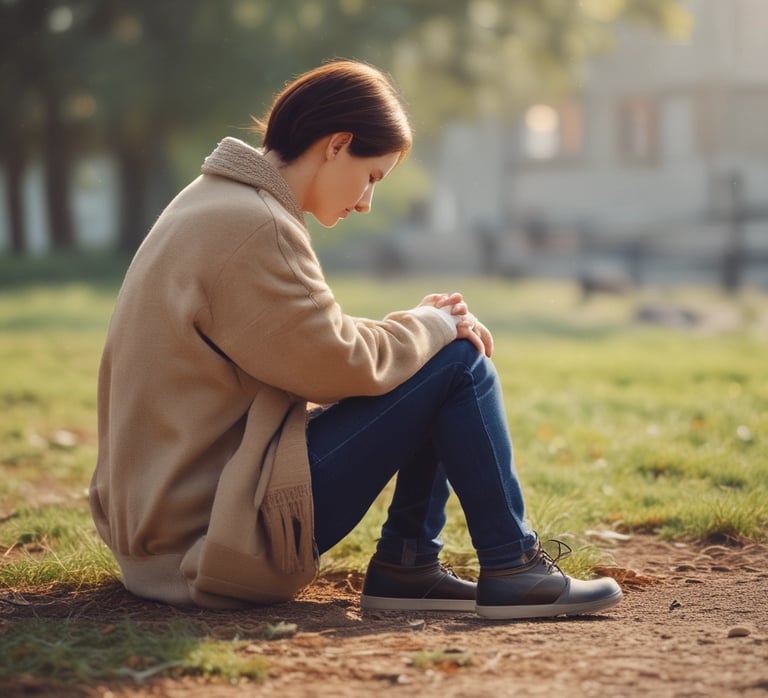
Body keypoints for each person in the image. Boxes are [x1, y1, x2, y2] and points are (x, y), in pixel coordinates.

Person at [90, 59, 622, 619]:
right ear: (337, 144)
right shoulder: (254, 224)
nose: (367, 201)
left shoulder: (210, 202)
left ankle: (409, 568)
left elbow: (299, 339)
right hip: (218, 539)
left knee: (435, 356)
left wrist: (418, 327)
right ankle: (511, 566)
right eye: (372, 176)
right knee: (459, 362)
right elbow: (338, 365)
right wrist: (434, 328)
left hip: (169, 534)